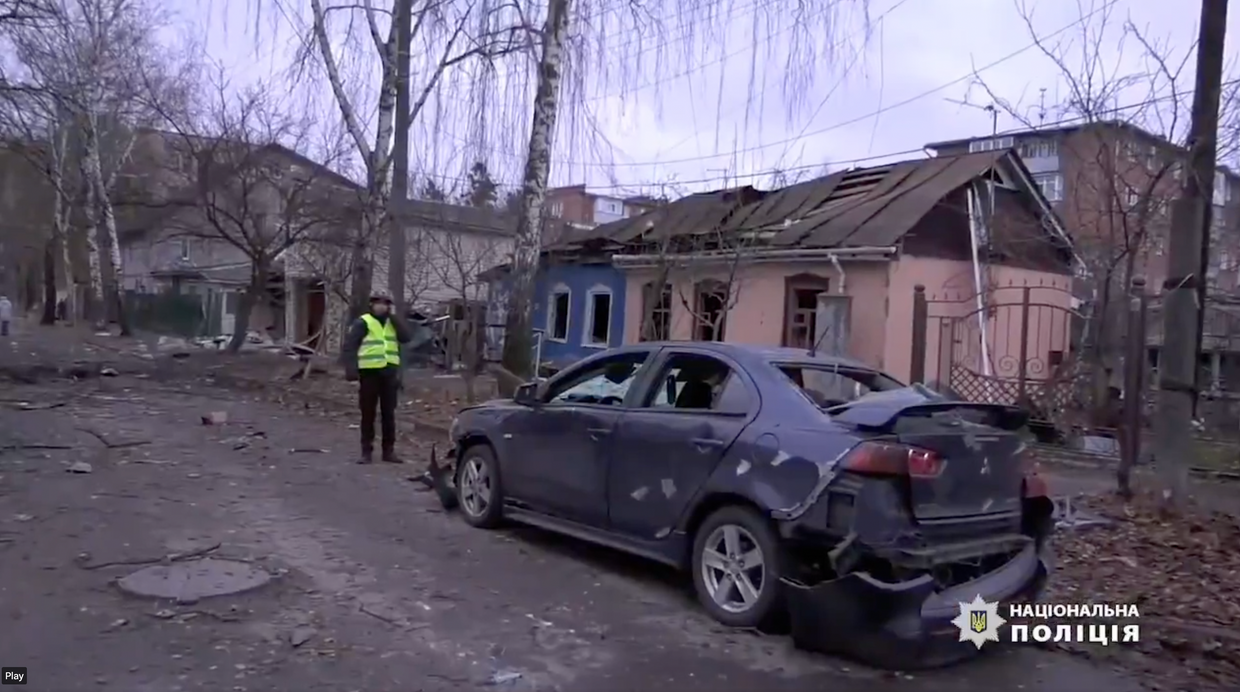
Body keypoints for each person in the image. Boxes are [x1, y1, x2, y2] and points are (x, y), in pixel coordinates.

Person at [341, 291, 412, 464]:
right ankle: (366, 451)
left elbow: (406, 338)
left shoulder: (392, 323)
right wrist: (351, 369)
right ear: (371, 305)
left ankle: (389, 451)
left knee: (389, 413)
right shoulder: (363, 322)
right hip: (369, 372)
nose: (382, 306)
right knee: (368, 413)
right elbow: (350, 346)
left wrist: (395, 319)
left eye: (385, 303)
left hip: (389, 372)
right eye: (378, 303)